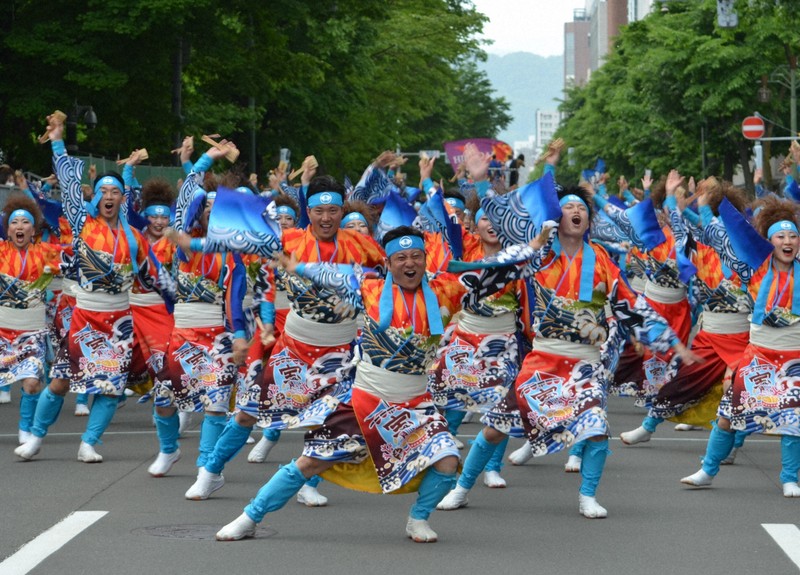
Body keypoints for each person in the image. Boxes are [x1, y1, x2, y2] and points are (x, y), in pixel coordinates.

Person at [214, 224, 549, 542]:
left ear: (424, 259)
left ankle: (418, 518)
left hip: (415, 403)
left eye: (416, 256)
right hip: (366, 399)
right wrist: (295, 264)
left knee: (447, 463)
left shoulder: (447, 288)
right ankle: (250, 517)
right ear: (388, 263)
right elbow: (329, 274)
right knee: (310, 461)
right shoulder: (368, 287)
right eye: (400, 258)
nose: (409, 263)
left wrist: (533, 246)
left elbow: (493, 268)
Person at [437, 147, 700, 519]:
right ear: (557, 217)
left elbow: (631, 304)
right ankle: (462, 488)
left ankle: (588, 495)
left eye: (582, 209)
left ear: (588, 219)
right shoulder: (540, 255)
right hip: (543, 357)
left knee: (595, 428)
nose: (576, 212)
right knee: (496, 428)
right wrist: (481, 181)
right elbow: (507, 221)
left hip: (585, 363)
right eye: (569, 208)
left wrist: (670, 341)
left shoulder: (603, 261)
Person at [16, 113, 160, 463]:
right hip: (85, 317)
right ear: (95, 197)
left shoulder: (134, 236)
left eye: (115, 192)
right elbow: (67, 181)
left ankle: (89, 442)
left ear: (123, 199)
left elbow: (150, 278)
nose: (109, 196)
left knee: (110, 389)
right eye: (103, 191)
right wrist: (58, 140)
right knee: (61, 382)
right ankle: (35, 437)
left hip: (120, 322)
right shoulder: (83, 223)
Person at [681, 194, 800, 497]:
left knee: (793, 420)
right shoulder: (753, 269)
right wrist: (710, 202)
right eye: (780, 236)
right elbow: (722, 236)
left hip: (793, 359)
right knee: (728, 416)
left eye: (793, 236)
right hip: (758, 354)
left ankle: (789, 478)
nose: (788, 241)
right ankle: (707, 470)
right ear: (768, 242)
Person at [0, 195, 62, 443]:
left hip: (32, 331)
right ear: (8, 228)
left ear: (34, 229)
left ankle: (25, 427)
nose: (19, 227)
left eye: (25, 222)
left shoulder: (46, 252)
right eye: (15, 223)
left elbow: (74, 253)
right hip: (2, 329)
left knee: (32, 383)